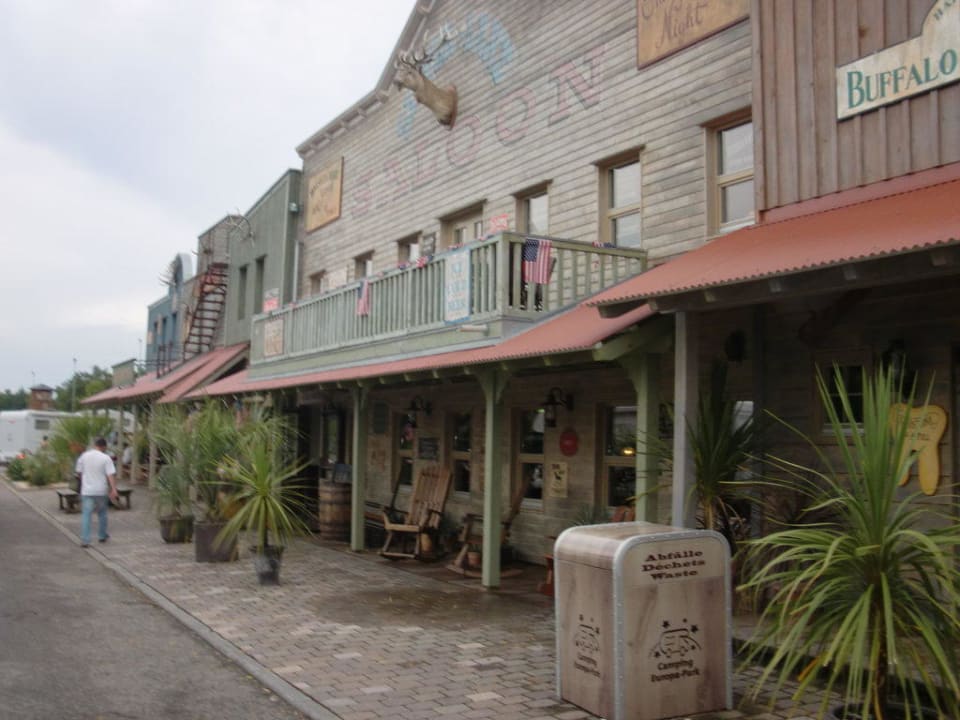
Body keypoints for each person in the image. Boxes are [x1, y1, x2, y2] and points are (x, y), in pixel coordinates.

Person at [75, 437, 119, 548]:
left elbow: (79, 472)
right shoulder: (106, 458)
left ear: (95, 445)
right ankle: (102, 535)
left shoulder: (84, 456)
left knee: (86, 515)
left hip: (87, 490)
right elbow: (110, 475)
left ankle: (85, 539)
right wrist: (113, 489)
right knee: (102, 513)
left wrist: (84, 480)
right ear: (104, 446)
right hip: (101, 490)